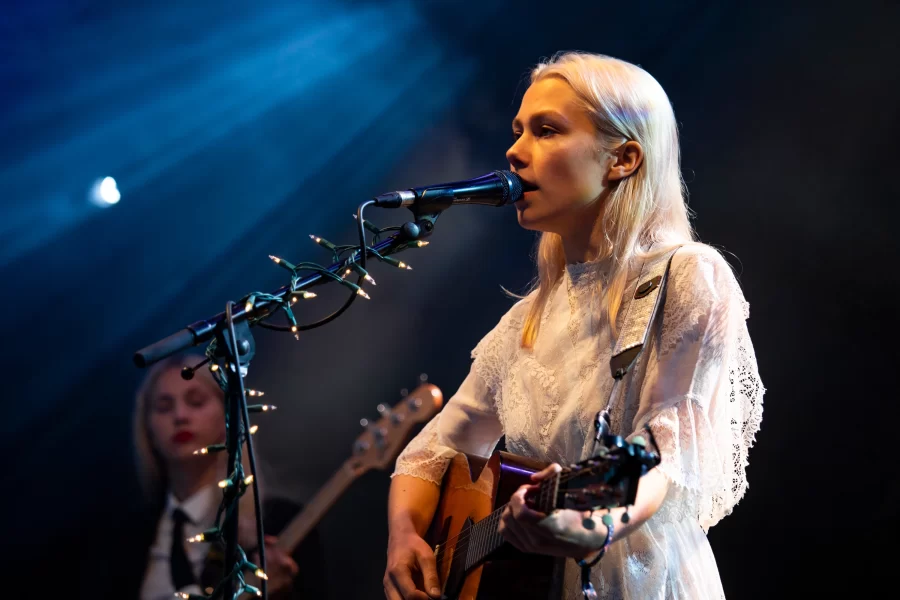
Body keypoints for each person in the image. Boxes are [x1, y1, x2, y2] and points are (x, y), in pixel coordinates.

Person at [384, 51, 765, 599]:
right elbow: (432, 451)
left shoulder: (688, 276)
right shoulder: (529, 317)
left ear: (623, 159)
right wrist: (405, 539)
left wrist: (593, 526)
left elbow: (665, 450)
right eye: (518, 131)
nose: (514, 151)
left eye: (546, 130)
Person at [133, 353, 328, 599]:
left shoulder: (277, 524)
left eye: (196, 402)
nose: (180, 416)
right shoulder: (121, 539)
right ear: (147, 427)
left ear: (228, 417)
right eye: (164, 407)